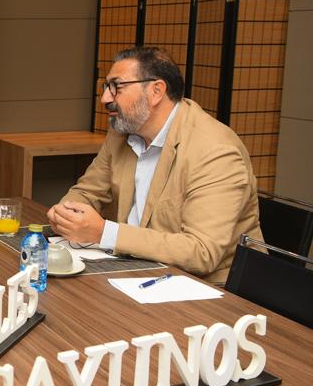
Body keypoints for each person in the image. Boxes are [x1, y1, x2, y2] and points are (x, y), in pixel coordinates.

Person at [47, 46, 261, 284]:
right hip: (135, 271)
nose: (105, 98)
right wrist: (65, 214)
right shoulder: (122, 134)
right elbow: (87, 191)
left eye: (116, 86)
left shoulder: (215, 151)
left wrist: (104, 232)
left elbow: (202, 251)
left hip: (210, 291)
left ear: (156, 91)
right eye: (106, 87)